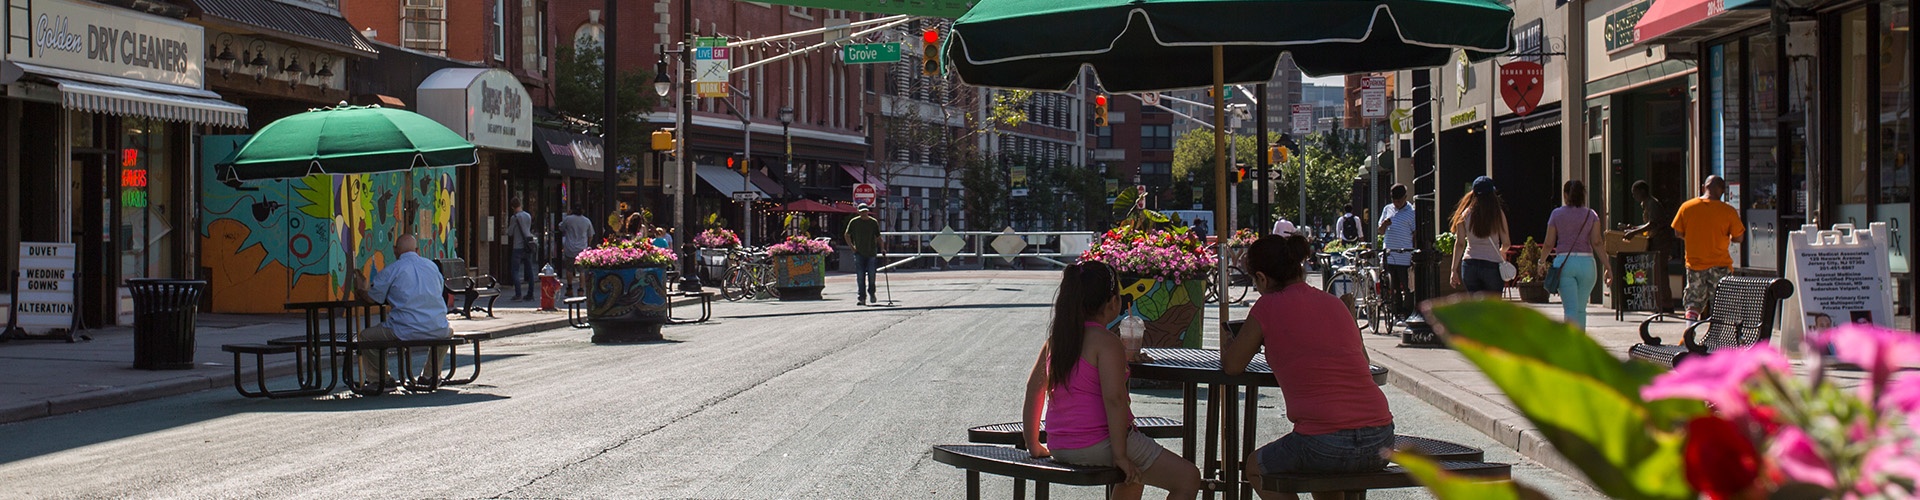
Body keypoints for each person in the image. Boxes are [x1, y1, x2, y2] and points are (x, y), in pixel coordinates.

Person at [1224, 233, 1394, 500]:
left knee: (1256, 468)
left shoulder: (1267, 306)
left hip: (1323, 443)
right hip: (1381, 439)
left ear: (1262, 278)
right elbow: (1363, 361)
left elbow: (1233, 366)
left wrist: (1231, 343)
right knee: (1322, 475)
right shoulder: (1334, 304)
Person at [1022, 261, 1201, 500]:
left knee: (1134, 478)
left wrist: (1033, 442)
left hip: (1059, 443)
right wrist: (1120, 456)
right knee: (1188, 478)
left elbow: (1034, 389)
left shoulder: (1058, 339)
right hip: (1099, 443)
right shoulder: (1107, 342)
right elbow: (1114, 400)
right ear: (1112, 302)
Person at [351, 234, 453, 391]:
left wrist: (360, 288)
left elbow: (372, 298)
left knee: (366, 336)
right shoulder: (431, 267)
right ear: (417, 250)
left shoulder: (392, 270)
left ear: (395, 250)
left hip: (406, 329)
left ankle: (381, 379)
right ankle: (430, 375)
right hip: (437, 327)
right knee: (447, 331)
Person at [1671, 175, 1745, 320]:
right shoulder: (1728, 211)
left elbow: (1678, 232)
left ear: (1704, 187)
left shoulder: (1687, 207)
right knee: (1722, 303)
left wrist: (1694, 236)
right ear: (1722, 191)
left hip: (1695, 264)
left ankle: (1689, 332)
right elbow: (1739, 238)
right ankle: (1720, 336)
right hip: (1720, 264)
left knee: (1693, 301)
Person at [1542, 180, 1606, 328]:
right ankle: (1580, 346)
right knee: (1580, 310)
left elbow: (1548, 243)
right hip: (1587, 264)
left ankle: (1570, 347)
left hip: (1565, 263)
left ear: (1565, 195)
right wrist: (1607, 266)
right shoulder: (1591, 214)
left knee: (1570, 310)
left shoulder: (1556, 214)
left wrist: (1541, 261)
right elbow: (1597, 242)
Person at [1449, 176, 1511, 294]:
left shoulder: (1464, 214)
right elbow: (1507, 243)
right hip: (1492, 264)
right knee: (1493, 308)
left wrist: (1453, 270)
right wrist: (1501, 252)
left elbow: (1460, 243)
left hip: (1469, 264)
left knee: (1476, 308)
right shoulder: (1498, 213)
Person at [1377, 184, 1415, 300]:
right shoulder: (1387, 209)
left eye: (1399, 201)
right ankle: (1395, 311)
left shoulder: (1412, 212)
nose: (1396, 203)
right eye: (1394, 200)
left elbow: (1415, 233)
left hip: (1404, 257)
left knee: (1407, 288)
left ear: (1405, 198)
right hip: (1389, 255)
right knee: (1392, 288)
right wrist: (1384, 224)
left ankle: (1407, 311)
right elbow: (1380, 231)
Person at [843, 204, 882, 305]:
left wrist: (882, 248)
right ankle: (862, 297)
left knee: (872, 275)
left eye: (865, 211)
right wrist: (852, 247)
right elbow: (847, 235)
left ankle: (872, 293)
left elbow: (878, 236)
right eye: (862, 212)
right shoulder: (854, 222)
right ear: (858, 212)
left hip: (871, 252)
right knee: (860, 276)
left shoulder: (873, 222)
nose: (864, 214)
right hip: (859, 252)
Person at [559, 205, 595, 296]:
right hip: (581, 249)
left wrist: (567, 215)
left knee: (569, 269)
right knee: (582, 271)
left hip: (570, 248)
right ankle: (581, 290)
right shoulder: (587, 221)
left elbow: (561, 227)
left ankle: (570, 289)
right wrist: (588, 244)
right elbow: (590, 235)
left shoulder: (568, 219)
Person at [506, 199, 536, 301]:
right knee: (529, 270)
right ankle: (530, 293)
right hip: (527, 246)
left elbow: (510, 232)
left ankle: (518, 294)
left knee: (515, 270)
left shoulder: (514, 217)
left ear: (512, 207)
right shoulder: (528, 216)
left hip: (517, 246)